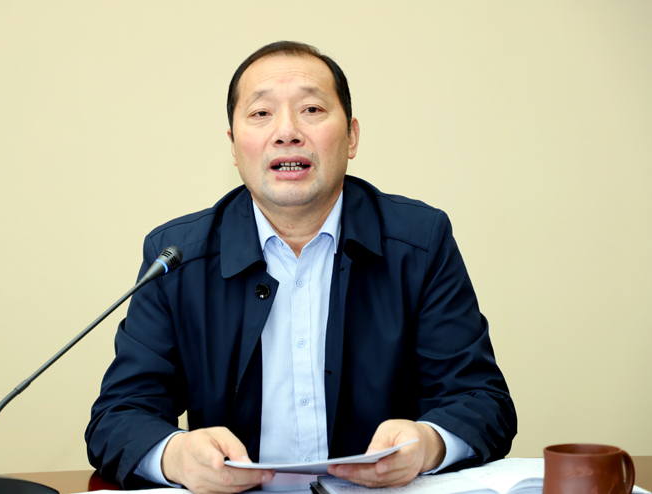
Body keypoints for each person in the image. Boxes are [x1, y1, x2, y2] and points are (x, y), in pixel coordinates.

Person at [85, 41, 517, 493]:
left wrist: (427, 444)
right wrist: (177, 456)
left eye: (311, 109)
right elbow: (118, 416)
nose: (287, 132)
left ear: (351, 137)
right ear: (233, 146)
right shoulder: (178, 258)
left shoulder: (420, 243)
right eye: (261, 113)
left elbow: (481, 401)